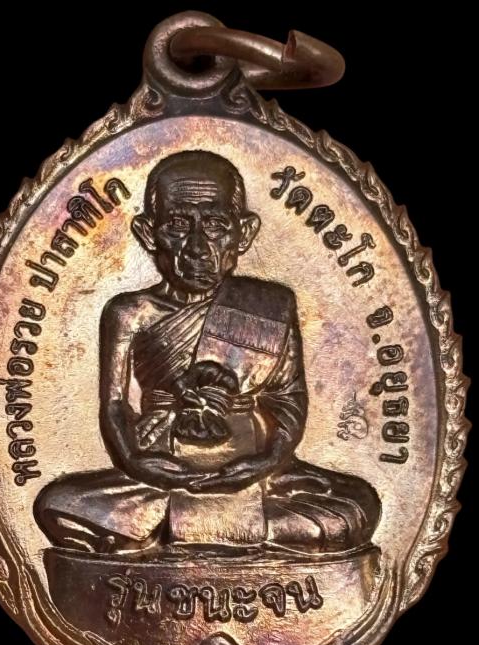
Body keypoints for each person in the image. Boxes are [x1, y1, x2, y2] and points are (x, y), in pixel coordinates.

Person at [34, 150, 380, 554]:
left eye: (215, 225)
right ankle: (244, 530)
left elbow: (288, 401)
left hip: (255, 470)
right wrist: (136, 461)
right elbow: (114, 406)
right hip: (161, 466)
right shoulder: (130, 312)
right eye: (178, 225)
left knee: (358, 505)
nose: (197, 246)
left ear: (244, 233)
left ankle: (173, 530)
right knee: (59, 504)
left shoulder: (271, 304)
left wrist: (267, 461)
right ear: (148, 232)